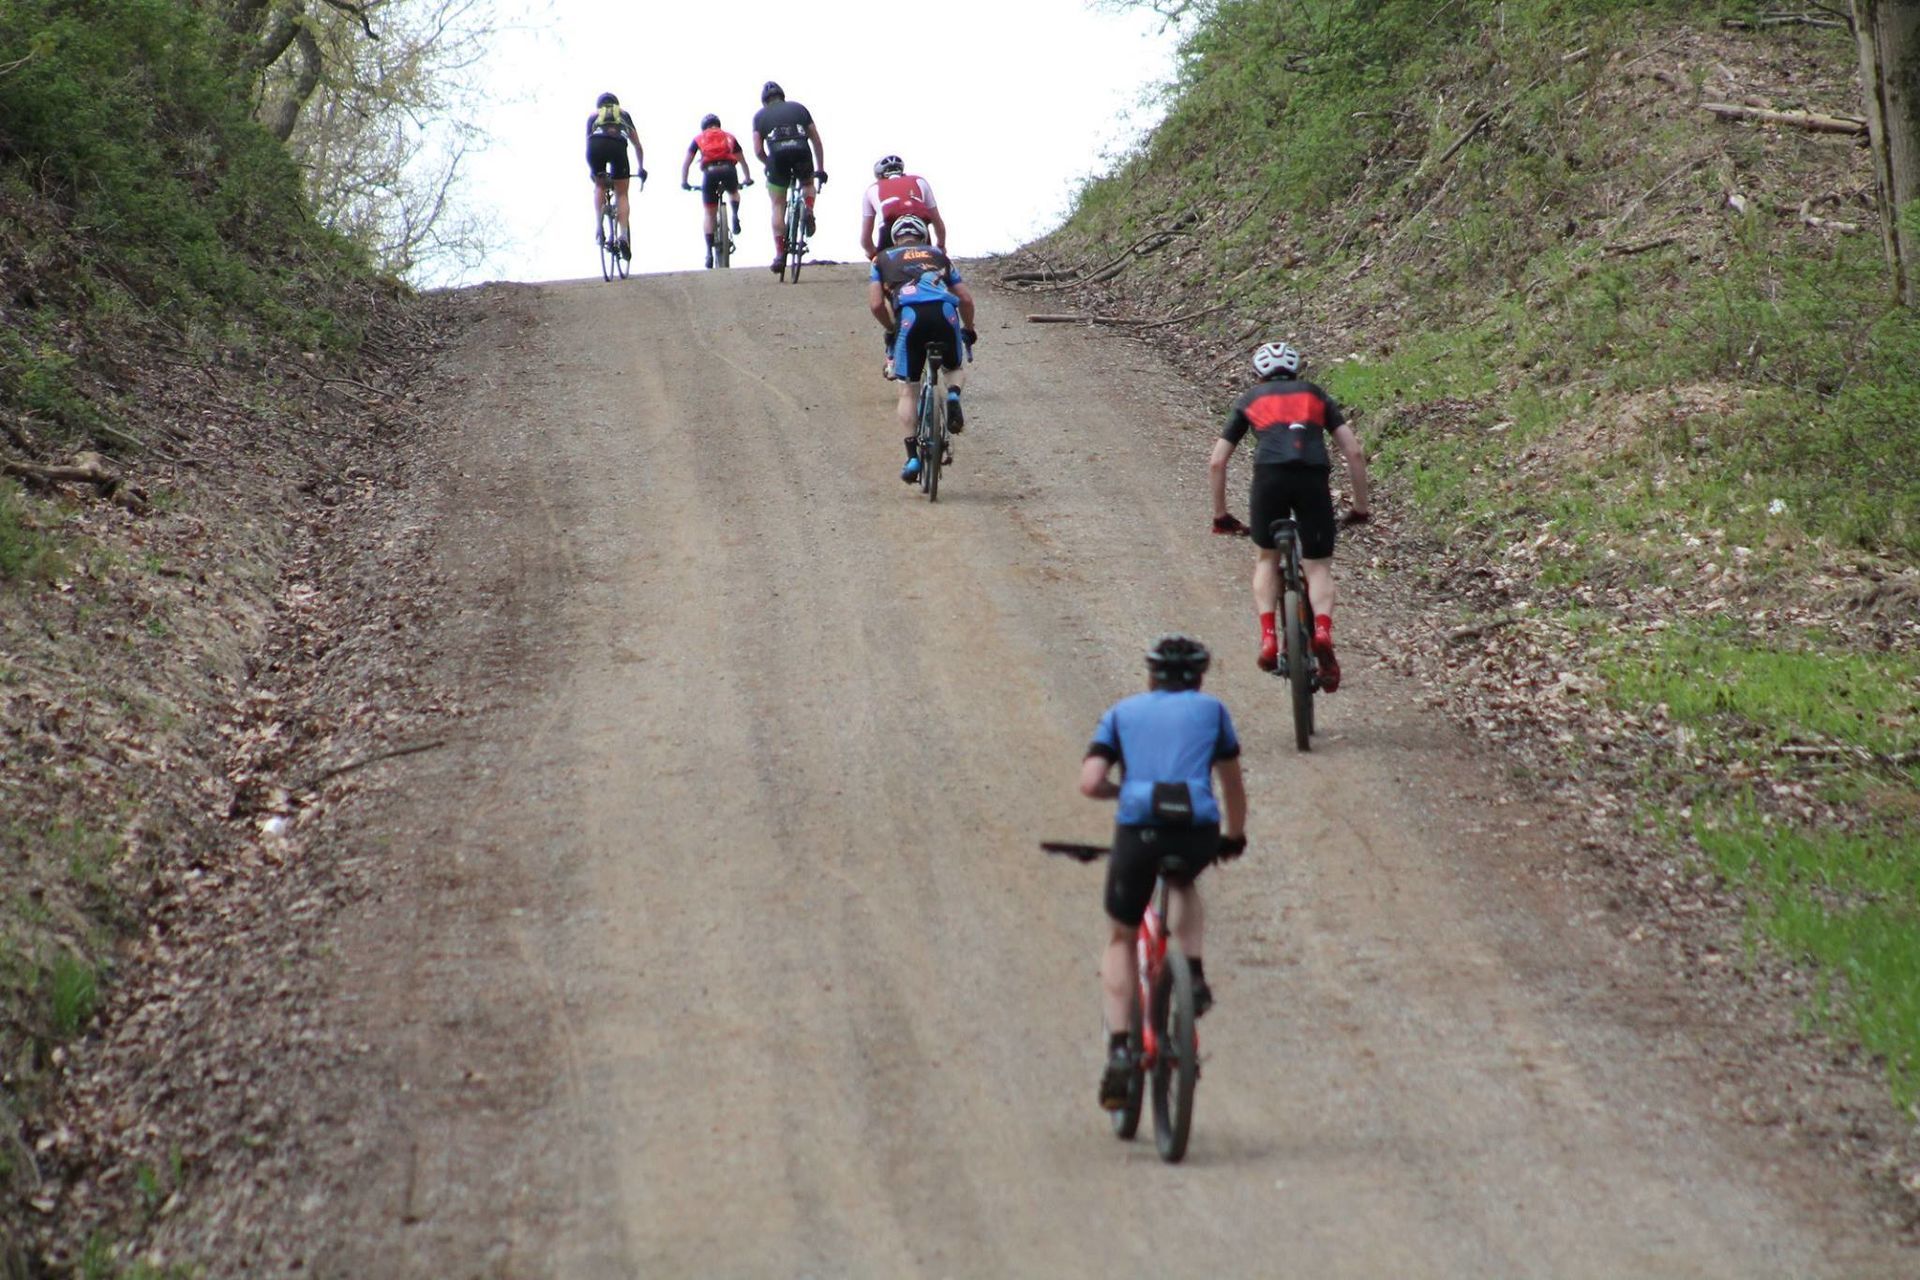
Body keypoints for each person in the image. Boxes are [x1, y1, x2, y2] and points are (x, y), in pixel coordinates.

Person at [1079, 634, 1247, 1111]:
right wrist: (1233, 837)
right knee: (1183, 882)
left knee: (1121, 936)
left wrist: (1126, 792)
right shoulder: (1213, 712)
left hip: (1139, 830)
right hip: (1194, 827)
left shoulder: (1122, 713)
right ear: (1199, 677)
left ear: (1151, 675)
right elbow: (1232, 785)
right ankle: (1191, 972)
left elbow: (1090, 783)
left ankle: (1118, 1050)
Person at [1208, 342, 1372, 691]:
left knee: (1266, 559)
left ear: (1258, 373)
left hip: (1269, 480)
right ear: (1297, 371)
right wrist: (1360, 507)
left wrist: (1221, 515)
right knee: (1317, 567)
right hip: (1312, 479)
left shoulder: (1250, 399)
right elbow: (1354, 452)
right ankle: (1323, 630)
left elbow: (1217, 462)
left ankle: (1269, 636)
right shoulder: (1316, 395)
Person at [867, 215, 977, 482]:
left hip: (910, 318)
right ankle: (952, 396)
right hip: (944, 312)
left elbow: (876, 305)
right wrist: (969, 328)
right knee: (953, 368)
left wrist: (892, 329)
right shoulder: (938, 254)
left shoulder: (881, 259)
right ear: (923, 236)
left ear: (895, 238)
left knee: (908, 389)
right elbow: (964, 297)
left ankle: (913, 458)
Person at [750, 81, 827, 276]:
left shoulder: (759, 116)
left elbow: (758, 150)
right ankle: (808, 209)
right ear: (782, 96)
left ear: (764, 101)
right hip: (802, 151)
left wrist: (768, 163)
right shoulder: (799, 108)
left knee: (777, 205)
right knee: (807, 183)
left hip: (777, 156)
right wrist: (820, 169)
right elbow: (816, 140)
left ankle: (779, 255)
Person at [680, 113, 754, 269]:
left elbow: (686, 163)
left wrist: (684, 182)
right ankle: (734, 215)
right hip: (728, 169)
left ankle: (708, 252)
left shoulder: (699, 138)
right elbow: (742, 160)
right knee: (733, 192)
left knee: (709, 213)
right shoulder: (729, 136)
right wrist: (747, 178)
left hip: (710, 172)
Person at [585, 92, 646, 258]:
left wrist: (594, 173)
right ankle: (623, 236)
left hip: (595, 146)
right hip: (617, 146)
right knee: (622, 193)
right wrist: (641, 169)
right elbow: (638, 146)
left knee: (599, 185)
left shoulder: (593, 116)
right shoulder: (624, 115)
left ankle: (599, 225)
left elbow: (588, 143)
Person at [859, 155, 947, 260]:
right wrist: (940, 247)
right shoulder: (919, 181)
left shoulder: (872, 189)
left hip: (888, 228)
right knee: (927, 267)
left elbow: (865, 239)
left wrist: (873, 256)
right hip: (919, 226)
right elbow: (938, 223)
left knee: (886, 270)